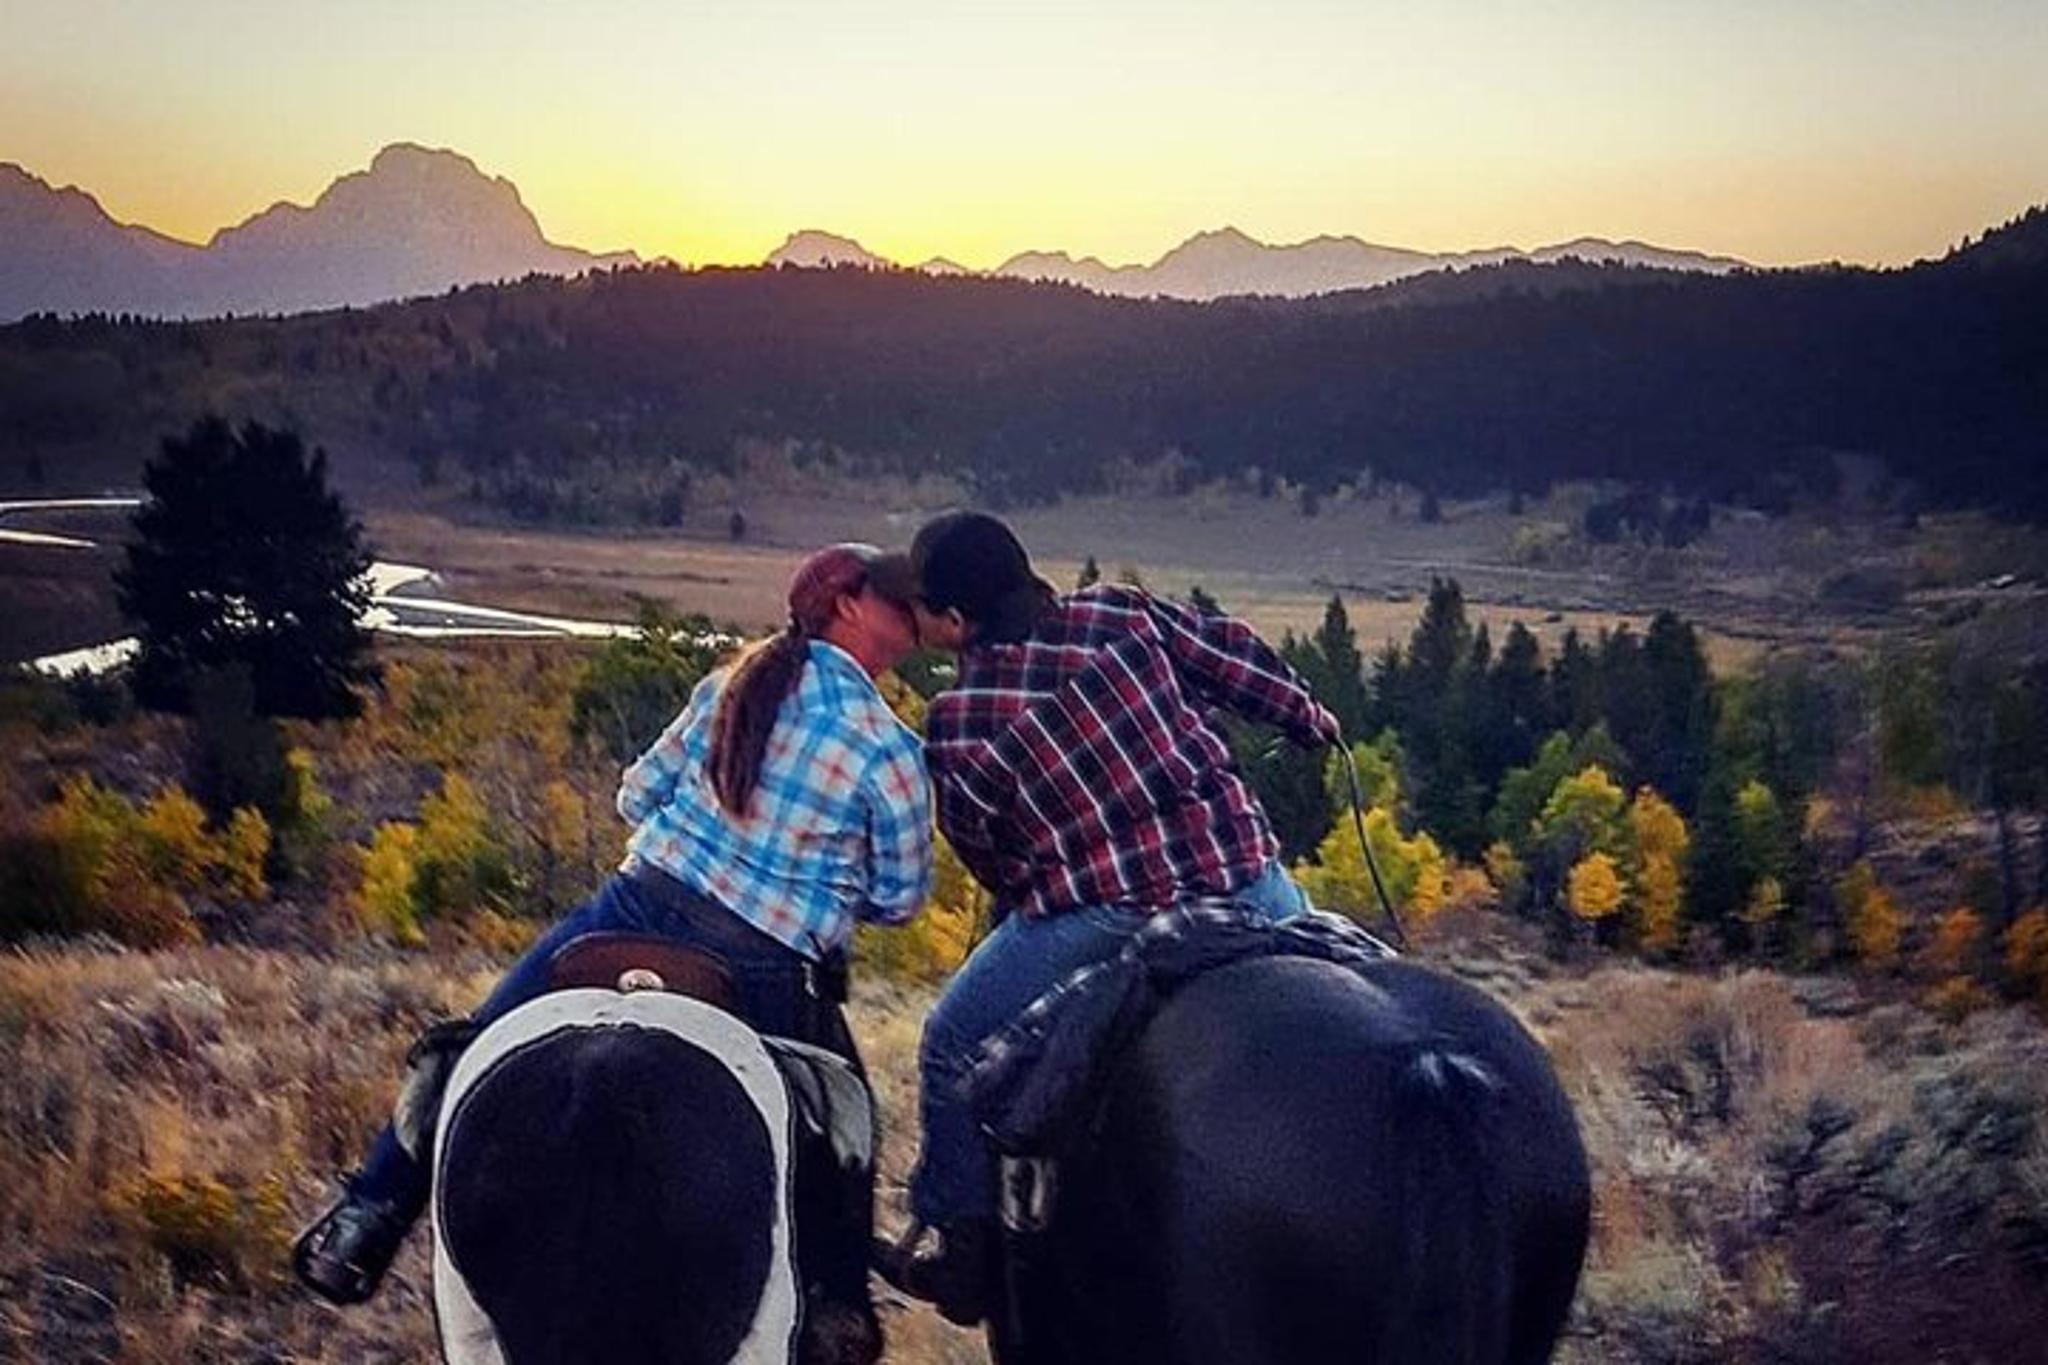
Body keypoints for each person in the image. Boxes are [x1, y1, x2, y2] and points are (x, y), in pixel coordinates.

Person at [295, 543, 934, 1305]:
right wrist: (822, 883)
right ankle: (837, 1305)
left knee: (467, 1049)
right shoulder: (891, 747)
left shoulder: (731, 687)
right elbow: (900, 899)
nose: (913, 620)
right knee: (845, 1128)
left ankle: (369, 1215)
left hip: (633, 907)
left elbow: (635, 796)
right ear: (847, 603)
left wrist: (706, 834)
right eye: (897, 603)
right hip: (764, 964)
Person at [880, 511, 1338, 1324]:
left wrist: (1046, 876)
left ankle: (965, 1245)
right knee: (1356, 977)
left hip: (1110, 916)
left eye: (923, 608)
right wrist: (1307, 718)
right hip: (1248, 882)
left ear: (956, 621)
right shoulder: (1122, 613)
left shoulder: (960, 721)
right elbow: (1231, 658)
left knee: (950, 1037)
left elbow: (995, 858)